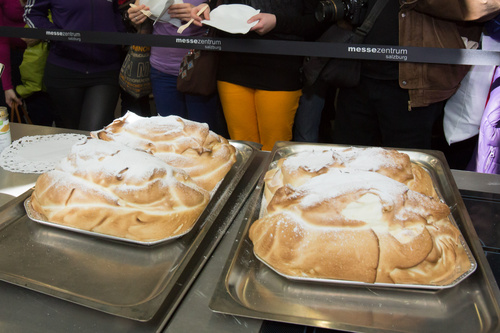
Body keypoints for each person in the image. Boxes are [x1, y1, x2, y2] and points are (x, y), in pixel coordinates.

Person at [329, 0, 498, 150]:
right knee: (347, 160)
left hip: (413, 86)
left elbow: (486, 4)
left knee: (405, 168)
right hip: (355, 75)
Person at [191, 0, 326, 151]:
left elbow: (316, 22)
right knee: (243, 148)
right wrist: (209, 9)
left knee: (274, 148)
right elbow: (220, 6)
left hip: (280, 68)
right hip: (233, 64)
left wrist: (277, 21)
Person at [24, 0, 126, 131]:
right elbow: (32, 13)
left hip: (105, 69)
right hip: (65, 69)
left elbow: (114, 12)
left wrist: (119, 33)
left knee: (93, 131)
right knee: (72, 132)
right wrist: (56, 35)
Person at [127, 0, 226, 135]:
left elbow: (228, 14)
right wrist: (135, 16)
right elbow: (138, 12)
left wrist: (204, 15)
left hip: (199, 69)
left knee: (203, 136)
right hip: (162, 68)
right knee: (169, 134)